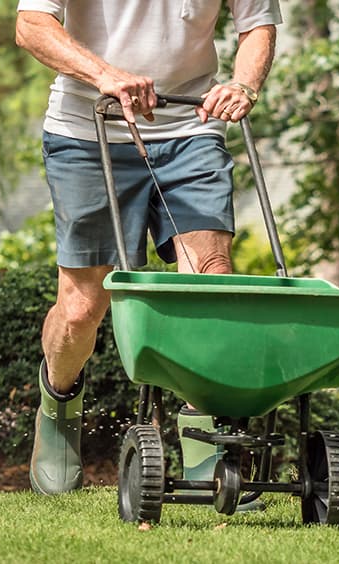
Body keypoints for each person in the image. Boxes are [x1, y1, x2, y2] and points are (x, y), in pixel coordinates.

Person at [15, 1, 281, 496]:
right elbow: (31, 26)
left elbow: (256, 26)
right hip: (87, 130)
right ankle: (58, 408)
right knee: (82, 308)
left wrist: (244, 85)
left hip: (190, 129)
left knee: (210, 282)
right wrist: (105, 74)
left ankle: (204, 443)